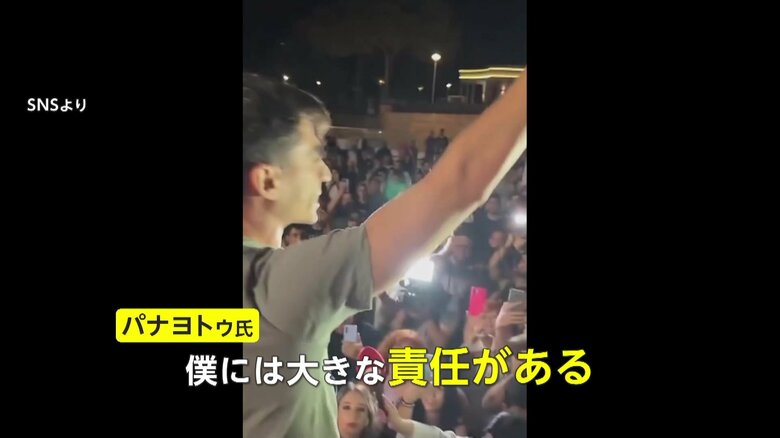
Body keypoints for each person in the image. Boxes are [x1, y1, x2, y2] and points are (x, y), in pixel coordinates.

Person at [242, 70, 527, 438]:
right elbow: (461, 180)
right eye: (314, 155)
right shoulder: (277, 285)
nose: (326, 173)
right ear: (267, 181)